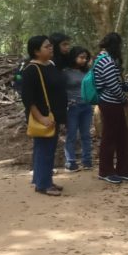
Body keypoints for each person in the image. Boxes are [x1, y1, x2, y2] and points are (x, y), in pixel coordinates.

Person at [21, 35, 68, 196]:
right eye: (46, 47)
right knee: (44, 149)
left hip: (55, 115)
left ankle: (44, 179)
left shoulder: (51, 65)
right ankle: (43, 185)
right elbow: (28, 99)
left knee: (48, 148)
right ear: (36, 51)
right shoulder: (31, 70)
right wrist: (41, 117)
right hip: (43, 116)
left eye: (50, 46)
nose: (51, 48)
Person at [94, 32, 128, 184]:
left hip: (112, 103)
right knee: (110, 137)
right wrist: (124, 100)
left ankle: (123, 169)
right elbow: (112, 86)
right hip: (110, 103)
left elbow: (115, 83)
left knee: (121, 136)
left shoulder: (106, 59)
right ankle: (105, 171)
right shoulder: (106, 61)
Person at [62, 46, 93, 172]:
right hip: (72, 107)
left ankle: (87, 161)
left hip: (86, 106)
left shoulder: (86, 72)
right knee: (71, 135)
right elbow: (60, 90)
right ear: (74, 57)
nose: (84, 60)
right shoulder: (65, 72)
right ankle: (71, 162)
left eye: (86, 58)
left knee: (86, 135)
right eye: (81, 57)